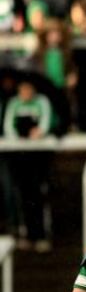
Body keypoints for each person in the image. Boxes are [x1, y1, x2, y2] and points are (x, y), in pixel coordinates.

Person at [3, 80, 53, 252]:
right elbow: (8, 125)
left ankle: (41, 234)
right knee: (22, 194)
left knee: (38, 193)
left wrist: (39, 132)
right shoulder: (14, 103)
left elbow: (45, 122)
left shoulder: (42, 102)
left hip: (38, 156)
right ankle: (26, 233)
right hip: (20, 156)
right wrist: (19, 139)